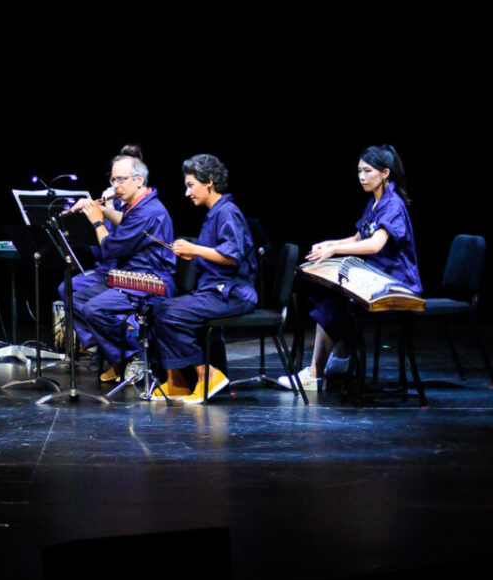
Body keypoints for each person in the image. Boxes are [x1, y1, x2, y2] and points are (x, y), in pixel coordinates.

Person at [287, 145, 420, 390]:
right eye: (359, 171)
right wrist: (331, 243)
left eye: (368, 171)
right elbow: (359, 238)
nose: (361, 176)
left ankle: (317, 373)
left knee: (333, 302)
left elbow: (375, 244)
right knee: (325, 292)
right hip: (378, 277)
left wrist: (335, 250)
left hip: (398, 284)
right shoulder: (375, 203)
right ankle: (341, 357)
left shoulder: (393, 205)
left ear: (385, 173)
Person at [146, 154, 257, 403]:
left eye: (190, 185)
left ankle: (206, 374)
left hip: (233, 293)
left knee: (170, 313)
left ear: (209, 183)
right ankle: (178, 381)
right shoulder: (215, 212)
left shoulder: (228, 212)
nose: (187, 193)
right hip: (216, 290)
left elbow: (232, 256)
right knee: (159, 308)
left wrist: (195, 250)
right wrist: (194, 255)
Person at [63, 145, 175, 384]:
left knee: (94, 308)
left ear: (139, 180)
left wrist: (96, 221)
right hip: (129, 277)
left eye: (121, 180)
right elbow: (124, 222)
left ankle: (133, 355)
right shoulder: (137, 206)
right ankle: (114, 352)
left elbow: (111, 247)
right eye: (113, 179)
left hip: (151, 282)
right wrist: (98, 208)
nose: (116, 186)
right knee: (73, 293)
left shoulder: (149, 211)